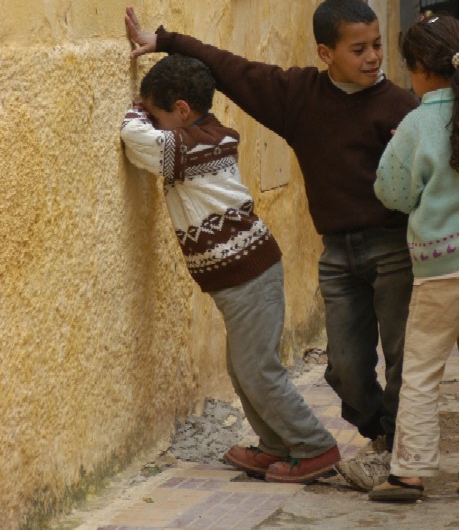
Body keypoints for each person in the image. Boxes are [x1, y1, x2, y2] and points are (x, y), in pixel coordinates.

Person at [124, 0, 417, 492]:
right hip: (339, 254)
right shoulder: (299, 97)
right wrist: (166, 42)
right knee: (343, 369)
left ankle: (388, 449)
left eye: (377, 46)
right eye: (359, 49)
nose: (373, 58)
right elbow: (231, 70)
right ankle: (360, 436)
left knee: (403, 357)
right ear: (326, 53)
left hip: (393, 247)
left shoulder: (400, 107)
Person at [120, 52, 340, 484]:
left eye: (158, 114)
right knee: (244, 368)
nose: (153, 121)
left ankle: (315, 446)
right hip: (244, 275)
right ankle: (276, 445)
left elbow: (135, 138)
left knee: (258, 369)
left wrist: (136, 107)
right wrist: (151, 108)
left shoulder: (190, 147)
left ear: (182, 111)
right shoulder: (207, 136)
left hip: (248, 275)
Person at [368, 14, 459, 503]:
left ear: (418, 69)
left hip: (443, 264)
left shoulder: (415, 124)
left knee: (423, 366)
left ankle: (409, 470)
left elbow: (390, 191)